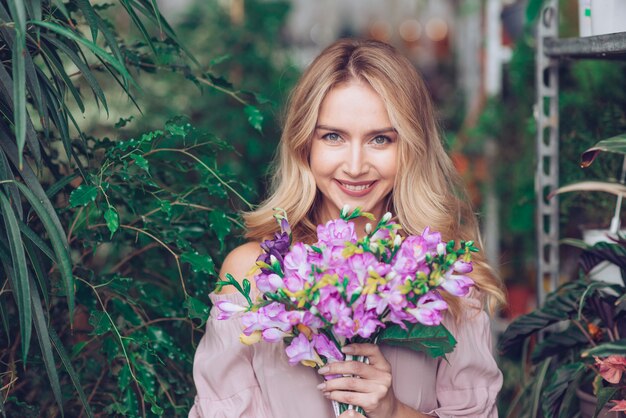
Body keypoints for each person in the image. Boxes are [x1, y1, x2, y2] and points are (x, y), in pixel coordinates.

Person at [189, 38, 506, 418]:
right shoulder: (251, 274)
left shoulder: (445, 276)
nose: (355, 166)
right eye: (333, 136)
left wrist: (391, 412)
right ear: (304, 144)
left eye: (380, 139)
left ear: (411, 147)